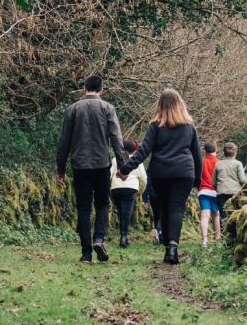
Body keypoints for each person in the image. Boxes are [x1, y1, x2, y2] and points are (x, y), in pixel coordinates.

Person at [116, 89, 202, 265]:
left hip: (161, 173)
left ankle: (167, 249)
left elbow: (143, 151)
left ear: (160, 105)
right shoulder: (189, 125)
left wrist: (125, 169)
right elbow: (197, 155)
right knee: (176, 209)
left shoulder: (155, 126)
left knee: (165, 209)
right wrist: (197, 180)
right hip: (184, 173)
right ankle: (173, 248)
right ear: (180, 104)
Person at [57, 75, 128, 264]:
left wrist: (60, 169)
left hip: (79, 165)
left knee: (83, 208)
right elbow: (116, 139)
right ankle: (99, 239)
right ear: (101, 91)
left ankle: (86, 254)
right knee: (103, 204)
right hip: (102, 164)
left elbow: (64, 142)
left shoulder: (72, 109)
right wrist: (122, 166)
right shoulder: (108, 108)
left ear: (83, 88)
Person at [109, 140, 147, 249]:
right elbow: (144, 179)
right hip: (129, 189)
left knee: (122, 213)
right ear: (135, 151)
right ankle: (124, 237)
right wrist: (140, 192)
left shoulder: (115, 160)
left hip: (115, 189)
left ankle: (124, 236)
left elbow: (109, 175)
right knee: (126, 214)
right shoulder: (137, 162)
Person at [212, 142, 246, 226]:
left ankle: (224, 235)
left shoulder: (218, 164)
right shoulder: (238, 164)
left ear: (223, 153)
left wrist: (218, 188)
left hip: (221, 192)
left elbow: (213, 182)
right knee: (236, 215)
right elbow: (242, 179)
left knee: (223, 216)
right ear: (235, 154)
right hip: (235, 193)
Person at [198, 140, 220, 248]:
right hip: (216, 192)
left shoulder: (201, 162)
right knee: (216, 215)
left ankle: (205, 241)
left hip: (203, 191)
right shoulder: (219, 163)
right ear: (216, 150)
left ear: (204, 151)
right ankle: (217, 240)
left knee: (204, 216)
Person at [141, 168, 162, 245]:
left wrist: (145, 198)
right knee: (162, 215)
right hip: (162, 194)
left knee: (156, 215)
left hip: (152, 195)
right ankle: (158, 231)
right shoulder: (165, 164)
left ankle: (158, 238)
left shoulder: (151, 167)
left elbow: (146, 183)